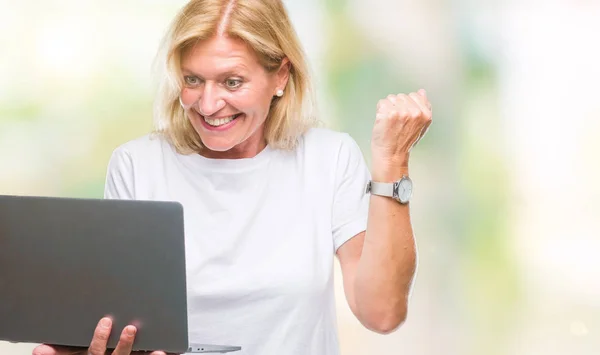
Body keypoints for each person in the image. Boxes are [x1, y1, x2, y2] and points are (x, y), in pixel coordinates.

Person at [32, 0, 432, 354]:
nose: (208, 104)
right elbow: (120, 321)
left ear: (280, 77)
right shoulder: (137, 165)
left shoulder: (329, 157)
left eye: (232, 81)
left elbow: (382, 313)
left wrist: (392, 159)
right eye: (193, 80)